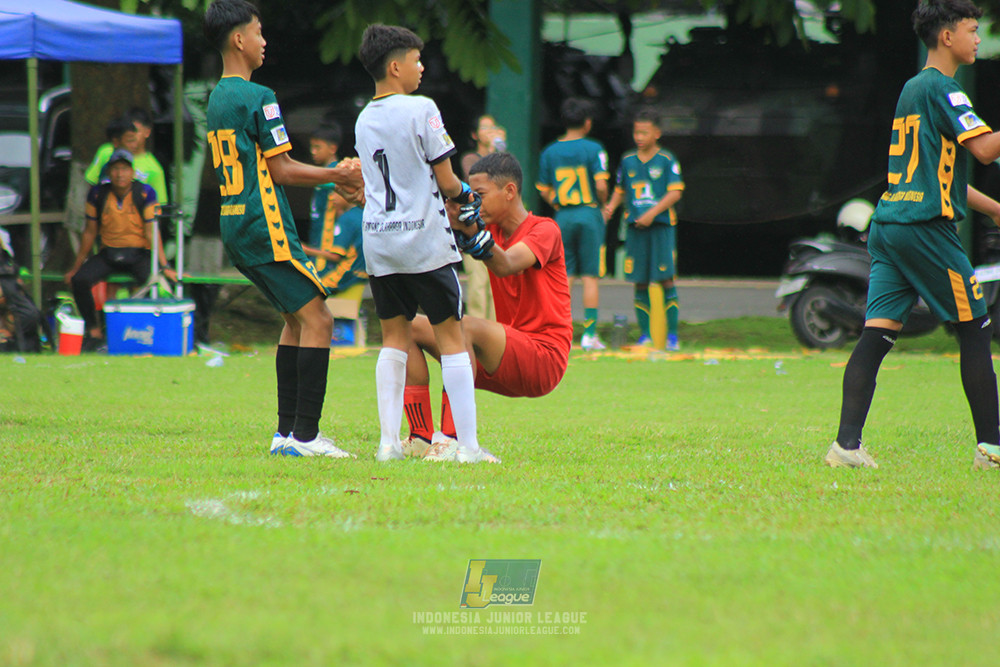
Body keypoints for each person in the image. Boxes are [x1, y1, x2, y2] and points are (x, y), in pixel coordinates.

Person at [825, 0, 1000, 470]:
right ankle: (992, 449)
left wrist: (995, 210)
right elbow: (985, 150)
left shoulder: (913, 88)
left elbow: (943, 174)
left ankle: (846, 445)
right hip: (925, 229)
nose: (978, 38)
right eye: (972, 29)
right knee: (977, 328)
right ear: (947, 37)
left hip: (891, 225)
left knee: (877, 333)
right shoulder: (946, 90)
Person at [203, 0, 363, 458]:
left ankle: (286, 433)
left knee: (296, 319)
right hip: (263, 224)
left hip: (236, 223)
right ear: (239, 39)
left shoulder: (218, 97)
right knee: (319, 318)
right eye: (258, 32)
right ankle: (306, 437)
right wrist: (339, 173)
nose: (263, 41)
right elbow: (284, 170)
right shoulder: (258, 96)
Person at [355, 23, 489, 463]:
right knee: (452, 339)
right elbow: (447, 180)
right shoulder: (422, 108)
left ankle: (388, 443)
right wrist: (469, 199)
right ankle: (466, 446)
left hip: (379, 241)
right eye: (415, 60)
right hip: (423, 241)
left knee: (393, 337)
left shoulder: (364, 117)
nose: (421, 67)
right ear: (395, 66)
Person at [401, 152, 572, 462]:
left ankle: (453, 439)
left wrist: (469, 234)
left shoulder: (544, 229)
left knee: (461, 326)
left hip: (544, 358)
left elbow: (506, 264)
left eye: (478, 196)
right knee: (408, 327)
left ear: (509, 191)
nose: (473, 204)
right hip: (502, 355)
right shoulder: (488, 230)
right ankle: (421, 437)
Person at [64, 149, 175, 350]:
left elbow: (152, 232)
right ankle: (94, 330)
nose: (120, 174)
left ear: (132, 172)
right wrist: (76, 266)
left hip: (139, 253)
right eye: (115, 169)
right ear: (109, 172)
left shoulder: (145, 192)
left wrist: (164, 266)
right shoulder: (97, 193)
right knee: (80, 280)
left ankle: (145, 333)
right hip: (109, 254)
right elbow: (89, 232)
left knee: (150, 284)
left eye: (124, 169)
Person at [603, 110, 685, 351]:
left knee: (666, 280)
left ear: (656, 133)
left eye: (644, 132)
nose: (638, 137)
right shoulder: (628, 160)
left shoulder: (667, 160)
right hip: (635, 228)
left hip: (661, 228)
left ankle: (672, 337)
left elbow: (675, 192)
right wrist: (609, 208)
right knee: (639, 281)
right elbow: (621, 189)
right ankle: (645, 335)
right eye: (636, 132)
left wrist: (652, 213)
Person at [536, 97, 610, 350]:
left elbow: (543, 189)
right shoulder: (594, 148)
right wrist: (603, 204)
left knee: (564, 276)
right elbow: (601, 184)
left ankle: (561, 332)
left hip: (563, 216)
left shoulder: (549, 151)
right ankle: (589, 334)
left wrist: (558, 202)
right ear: (588, 123)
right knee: (590, 276)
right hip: (589, 214)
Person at [305, 122, 366, 295]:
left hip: (329, 247)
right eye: (312, 147)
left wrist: (321, 252)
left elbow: (340, 212)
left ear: (332, 148)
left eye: (318, 147)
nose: (313, 151)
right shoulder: (323, 173)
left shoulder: (336, 174)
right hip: (319, 242)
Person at [459, 114, 506, 321]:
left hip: (496, 230)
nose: (490, 132)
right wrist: (492, 152)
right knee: (478, 284)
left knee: (497, 285)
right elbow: (478, 180)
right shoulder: (470, 158)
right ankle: (477, 334)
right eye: (485, 128)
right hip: (474, 229)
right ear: (475, 134)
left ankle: (496, 335)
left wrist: (500, 152)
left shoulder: (501, 158)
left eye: (493, 127)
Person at [86, 110, 169, 206]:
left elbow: (158, 206)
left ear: (147, 132)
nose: (133, 140)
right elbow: (92, 184)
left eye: (136, 132)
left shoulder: (154, 169)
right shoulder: (106, 152)